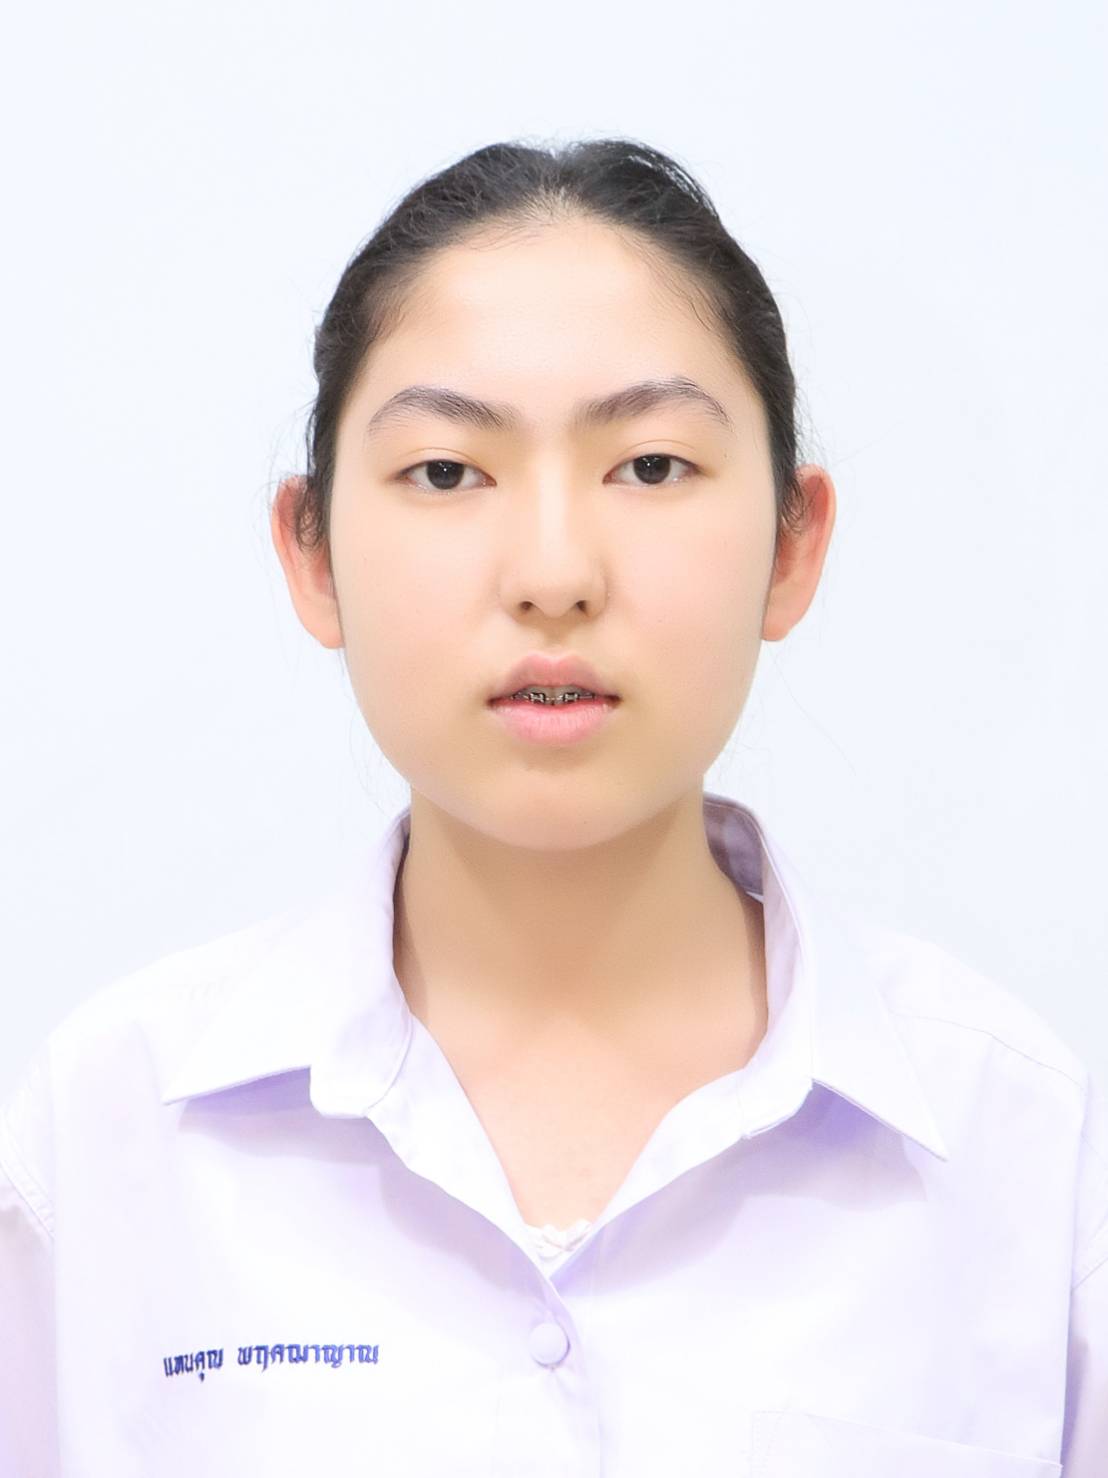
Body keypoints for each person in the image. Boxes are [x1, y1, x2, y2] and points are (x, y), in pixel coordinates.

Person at [1, 137, 1103, 1476]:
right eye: (446, 471)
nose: (554, 572)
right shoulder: (108, 1134)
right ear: (313, 554)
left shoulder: (1022, 1149)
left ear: (792, 544)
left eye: (651, 465)